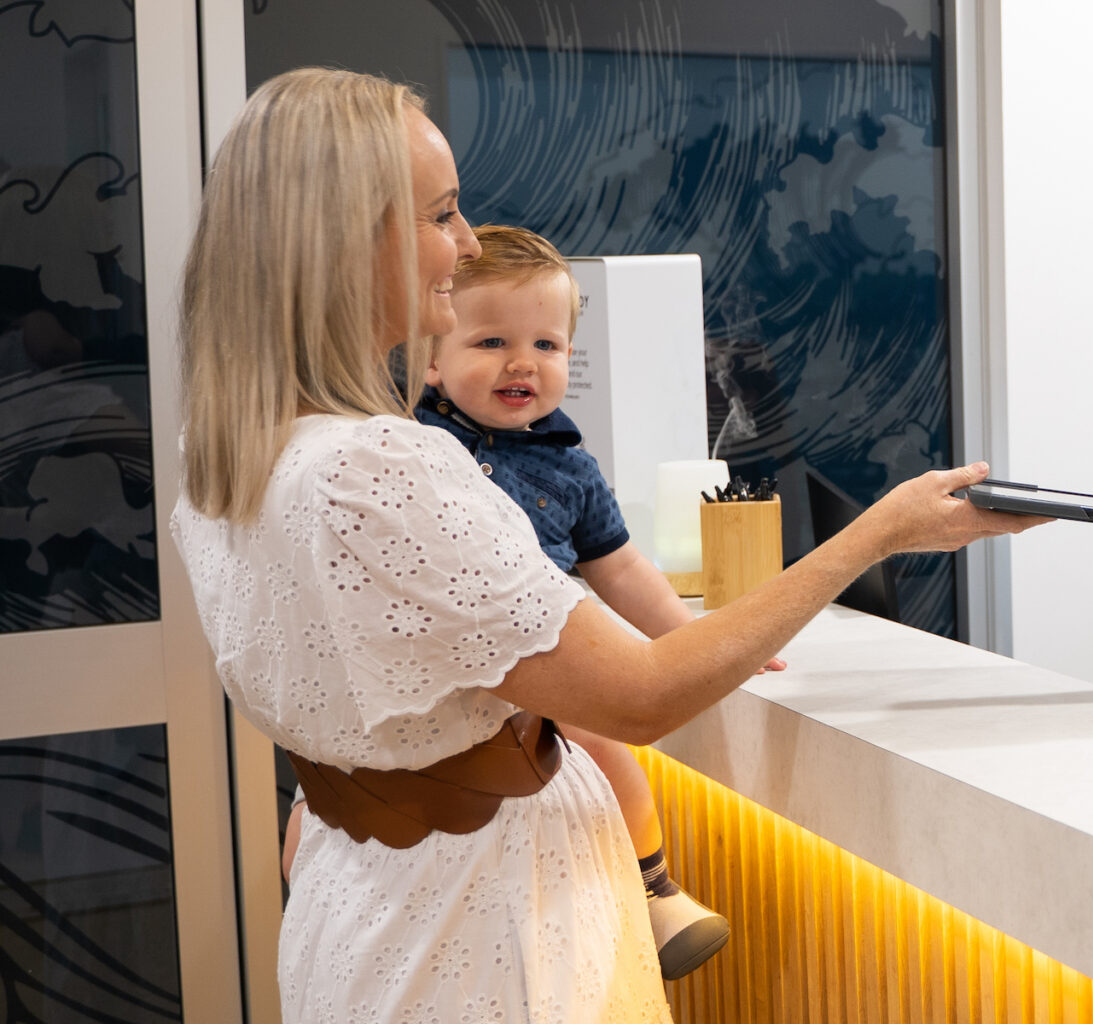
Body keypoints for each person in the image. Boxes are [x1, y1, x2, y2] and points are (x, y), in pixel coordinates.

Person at [168, 67, 1038, 1020]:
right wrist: (880, 533)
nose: (464, 243)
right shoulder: (377, 469)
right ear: (343, 240)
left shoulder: (230, 459)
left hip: (366, 916)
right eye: (443, 214)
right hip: (487, 944)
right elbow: (638, 694)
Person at [274, 223, 747, 979]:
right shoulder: (403, 446)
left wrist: (696, 642)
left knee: (604, 745)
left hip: (537, 666)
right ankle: (317, 899)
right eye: (491, 342)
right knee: (322, 798)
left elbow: (620, 570)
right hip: (427, 676)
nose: (523, 362)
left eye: (549, 346)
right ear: (431, 358)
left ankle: (654, 885)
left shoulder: (572, 466)